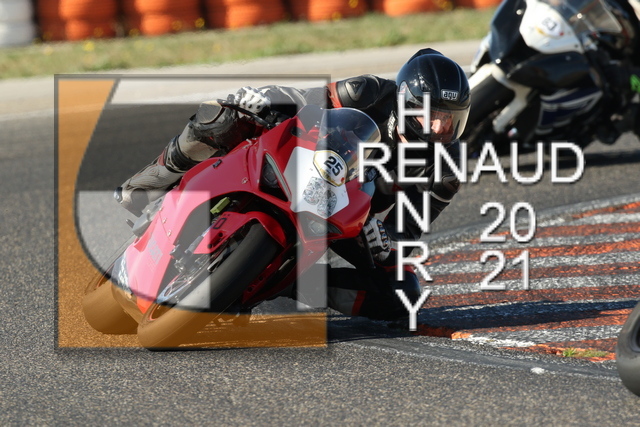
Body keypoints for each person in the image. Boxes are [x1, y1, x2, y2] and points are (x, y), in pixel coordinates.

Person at [114, 48, 470, 321]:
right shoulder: (369, 91)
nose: (440, 129)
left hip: (355, 214)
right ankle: (153, 180)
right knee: (224, 116)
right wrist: (263, 98)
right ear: (406, 101)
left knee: (402, 296)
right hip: (307, 157)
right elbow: (305, 99)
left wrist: (386, 240)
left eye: (451, 120)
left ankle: (284, 282)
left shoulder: (446, 169)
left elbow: (410, 231)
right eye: (433, 115)